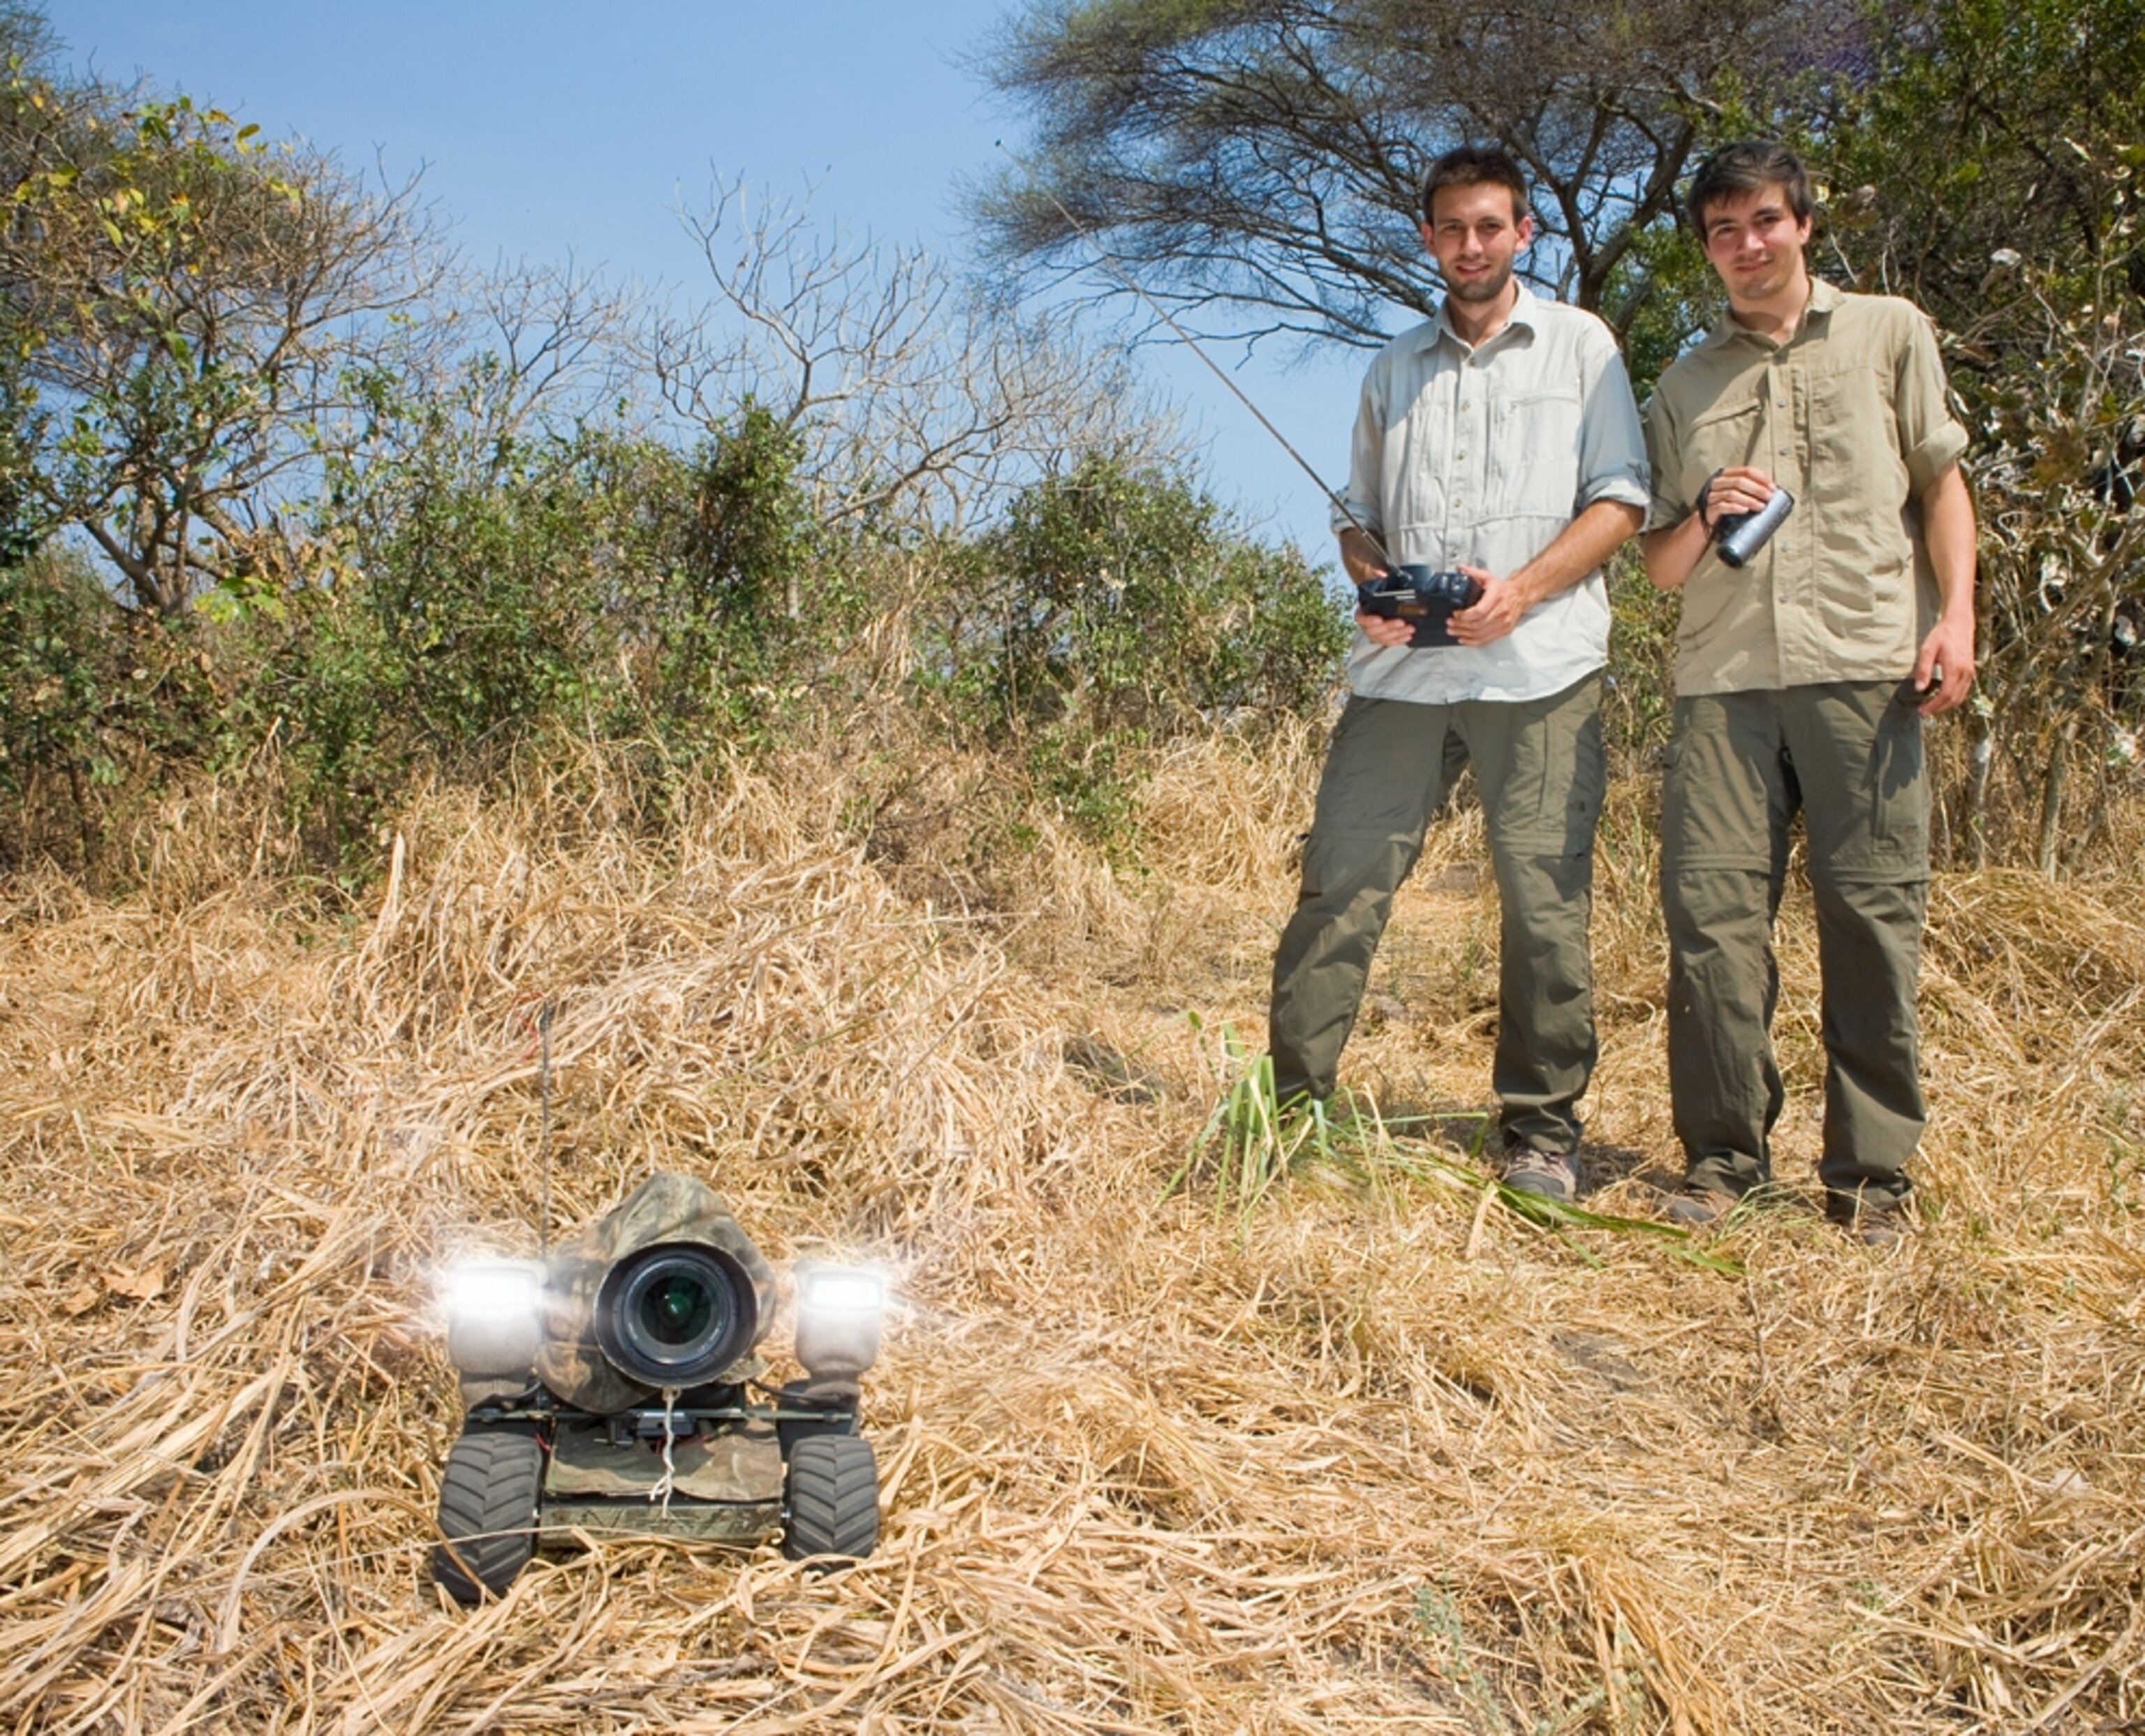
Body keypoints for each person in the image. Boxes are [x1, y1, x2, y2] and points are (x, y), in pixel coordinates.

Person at [1267, 144, 1649, 1202]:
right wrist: (1377, 588)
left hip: (1542, 667)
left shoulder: (1582, 345)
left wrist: (1518, 593)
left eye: (1490, 226)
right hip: (1401, 676)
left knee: (1544, 904)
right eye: (1452, 228)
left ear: (1523, 232)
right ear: (1428, 237)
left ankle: (1540, 1135)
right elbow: (1357, 520)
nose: (1471, 245)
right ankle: (1290, 1113)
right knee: (1341, 882)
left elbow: (1621, 500)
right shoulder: (1393, 367)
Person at [1639, 140, 1978, 1246]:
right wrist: (1705, 511)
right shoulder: (1683, 384)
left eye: (1765, 222)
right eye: (1724, 231)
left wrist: (1957, 620)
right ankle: (1723, 1163)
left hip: (1867, 671)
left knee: (1872, 919)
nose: (1747, 246)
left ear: (1804, 224)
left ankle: (1872, 1181)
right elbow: (1661, 567)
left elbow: (1942, 486)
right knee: (1712, 925)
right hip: (1723, 684)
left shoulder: (1890, 331)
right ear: (1707, 249)